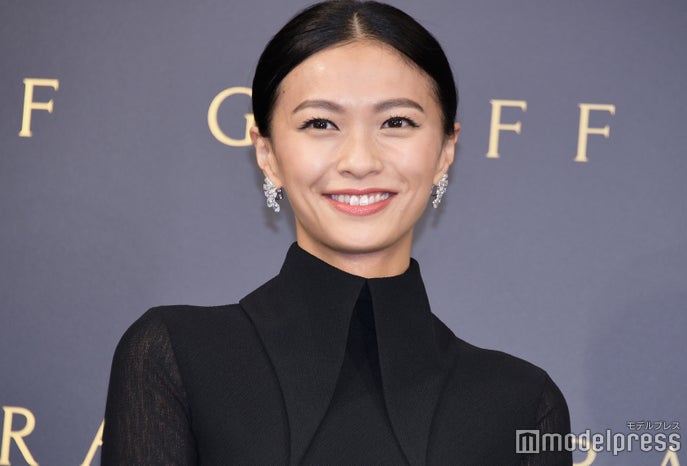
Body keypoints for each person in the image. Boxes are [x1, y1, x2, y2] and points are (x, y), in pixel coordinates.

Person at [102, 1, 571, 464]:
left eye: (397, 122)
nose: (360, 161)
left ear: (446, 149)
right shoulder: (174, 357)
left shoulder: (524, 405)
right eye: (320, 123)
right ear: (266, 153)